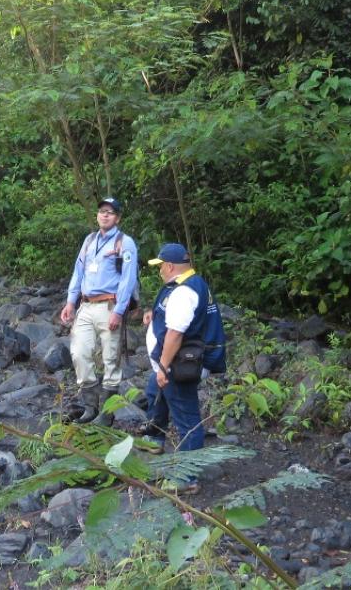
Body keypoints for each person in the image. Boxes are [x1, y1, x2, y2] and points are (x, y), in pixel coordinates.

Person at [142, 242, 227, 493]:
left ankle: (187, 478)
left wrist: (163, 368)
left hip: (179, 366)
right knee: (153, 394)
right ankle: (154, 438)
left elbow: (175, 334)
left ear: (169, 266)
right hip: (174, 363)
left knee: (187, 420)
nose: (159, 271)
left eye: (160, 267)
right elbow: (174, 316)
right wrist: (152, 315)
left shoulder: (183, 293)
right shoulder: (191, 283)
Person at [60, 197, 139, 424]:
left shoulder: (125, 243)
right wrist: (70, 302)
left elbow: (128, 279)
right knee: (79, 353)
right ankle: (90, 406)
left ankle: (107, 413)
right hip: (86, 304)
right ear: (97, 215)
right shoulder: (89, 240)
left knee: (110, 358)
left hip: (109, 305)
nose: (105, 215)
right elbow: (78, 271)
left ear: (118, 218)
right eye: (102, 211)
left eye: (111, 212)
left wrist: (119, 311)